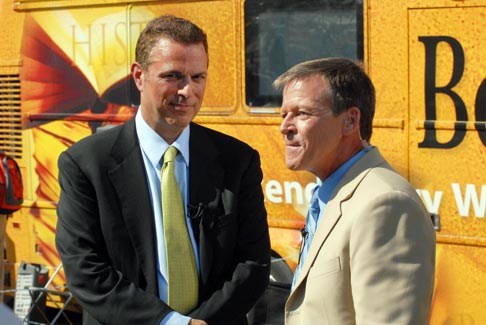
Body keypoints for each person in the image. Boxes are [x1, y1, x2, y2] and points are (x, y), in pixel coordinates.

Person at [55, 15, 270, 325]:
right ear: (139, 76)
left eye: (198, 77)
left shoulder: (238, 159)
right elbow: (86, 270)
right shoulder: (86, 164)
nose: (188, 91)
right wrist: (171, 323)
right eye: (173, 76)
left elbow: (253, 264)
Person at [274, 58, 435, 324]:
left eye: (302, 114)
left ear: (350, 121)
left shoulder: (386, 204)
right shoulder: (329, 195)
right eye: (284, 114)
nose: (285, 127)